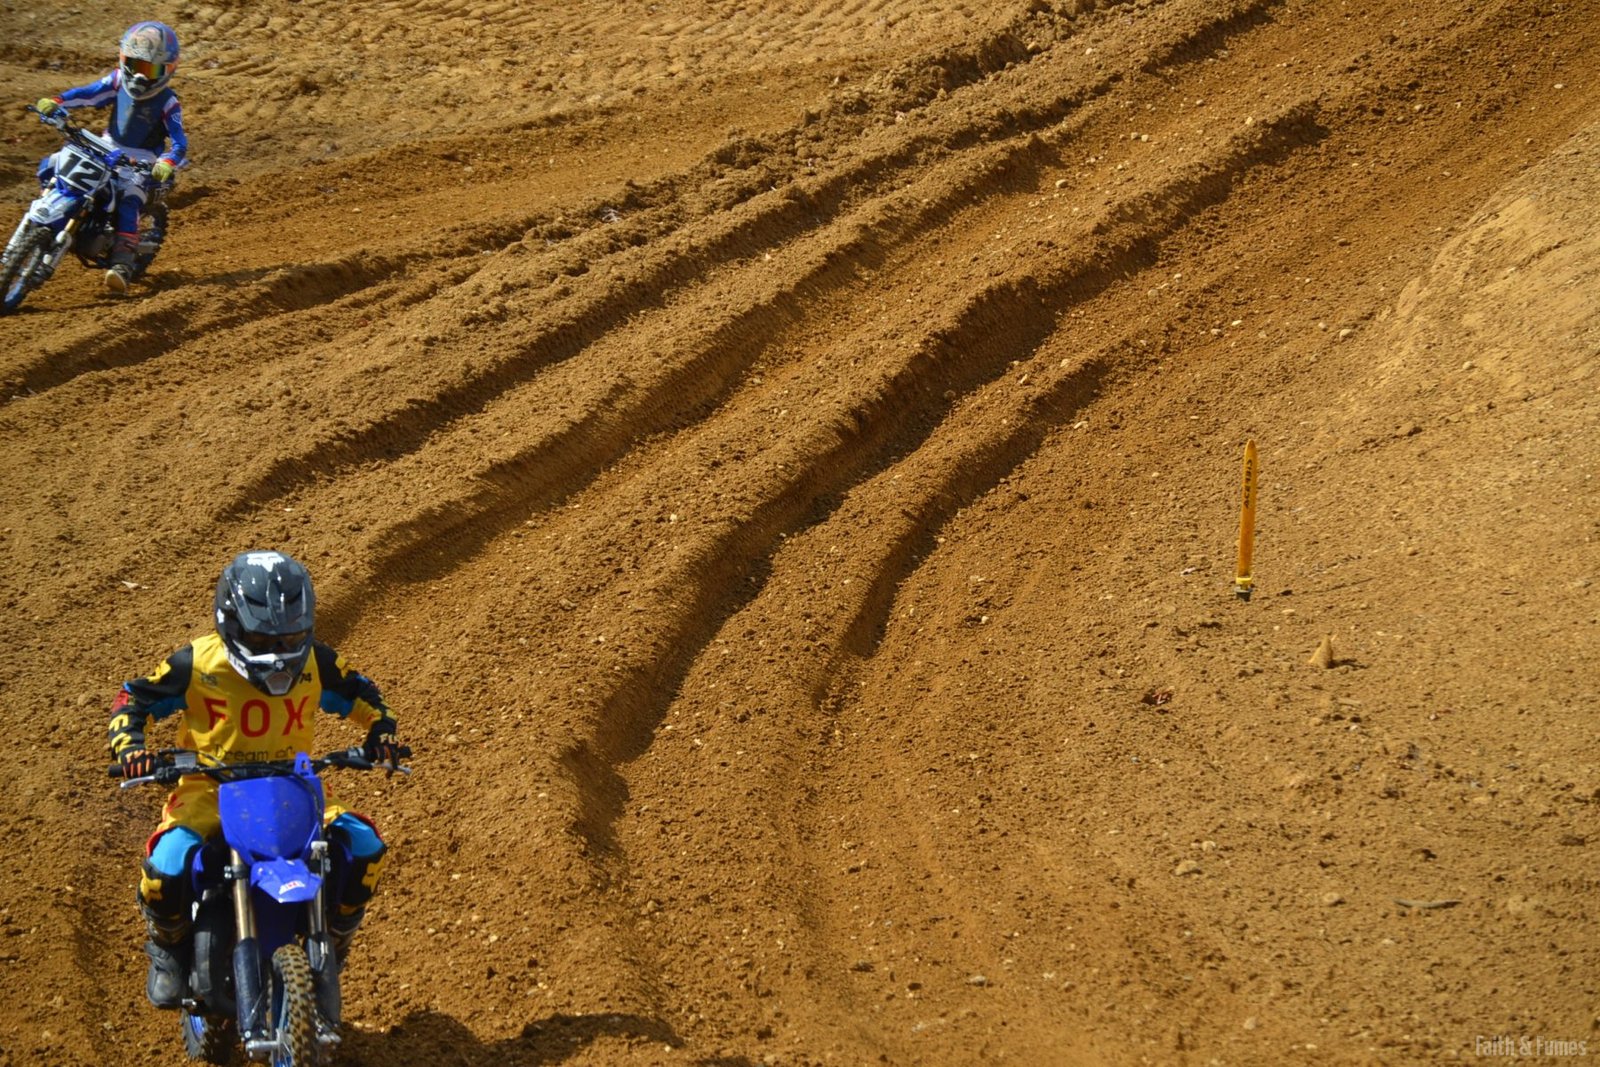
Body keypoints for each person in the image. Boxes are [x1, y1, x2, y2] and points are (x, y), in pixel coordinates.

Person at [107, 550, 405, 1010]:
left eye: (291, 637)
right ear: (229, 624)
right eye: (262, 637)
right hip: (208, 789)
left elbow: (365, 694)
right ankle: (168, 947)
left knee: (364, 846)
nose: (278, 651)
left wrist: (382, 735)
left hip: (293, 787)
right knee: (167, 866)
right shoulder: (197, 663)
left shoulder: (318, 663)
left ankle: (337, 935)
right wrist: (131, 750)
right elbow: (132, 699)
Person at [34, 20, 189, 293]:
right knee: (56, 162)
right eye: (136, 66)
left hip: (141, 160)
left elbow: (179, 141)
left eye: (151, 70)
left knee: (129, 199)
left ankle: (122, 263)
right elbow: (89, 94)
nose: (140, 77)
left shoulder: (168, 101)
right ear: (124, 59)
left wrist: (167, 162)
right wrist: (58, 101)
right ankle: (49, 216)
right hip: (106, 146)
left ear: (167, 70)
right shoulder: (117, 81)